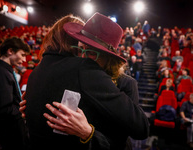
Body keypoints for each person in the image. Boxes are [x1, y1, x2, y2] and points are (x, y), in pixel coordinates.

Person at [24, 13, 149, 150]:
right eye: (80, 50)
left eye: (90, 53)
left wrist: (88, 133)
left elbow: (134, 133)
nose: (83, 57)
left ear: (108, 57)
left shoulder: (125, 83)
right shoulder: (81, 72)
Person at [0, 37, 30, 150]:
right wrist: (23, 111)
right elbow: (4, 108)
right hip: (10, 132)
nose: (24, 60)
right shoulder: (1, 72)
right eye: (22, 54)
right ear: (10, 51)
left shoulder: (6, 70)